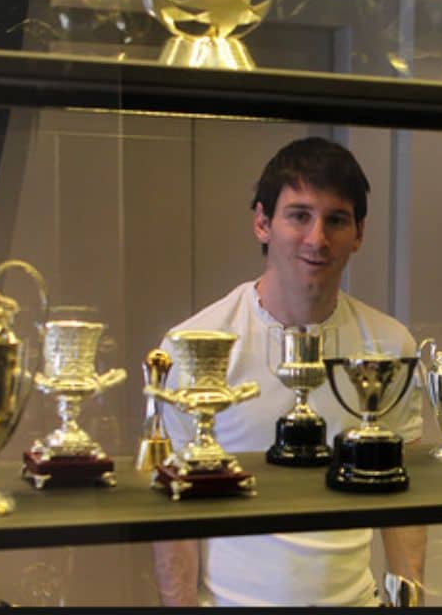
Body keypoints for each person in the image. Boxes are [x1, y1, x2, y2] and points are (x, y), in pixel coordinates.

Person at [151, 137, 426, 607]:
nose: (317, 239)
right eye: (299, 216)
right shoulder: (192, 346)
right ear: (262, 222)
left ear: (359, 233)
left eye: (336, 220)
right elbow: (173, 517)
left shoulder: (389, 346)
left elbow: (406, 503)